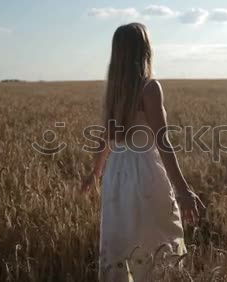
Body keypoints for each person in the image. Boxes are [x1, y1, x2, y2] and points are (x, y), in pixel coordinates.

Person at [81, 22, 205, 281]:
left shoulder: (115, 91)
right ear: (145, 50)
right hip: (145, 172)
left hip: (116, 174)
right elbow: (163, 142)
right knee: (156, 240)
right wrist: (183, 191)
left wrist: (96, 172)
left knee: (123, 240)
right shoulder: (150, 87)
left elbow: (106, 137)